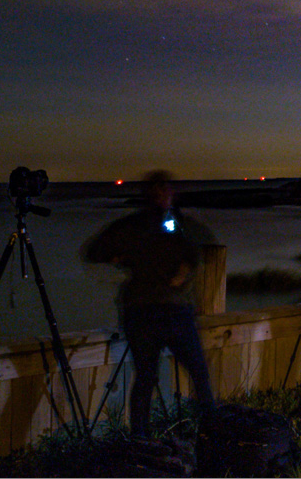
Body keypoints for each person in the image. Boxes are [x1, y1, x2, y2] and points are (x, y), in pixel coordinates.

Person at [81, 170, 216, 437]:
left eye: (163, 190)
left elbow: (94, 251)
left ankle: (140, 438)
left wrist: (119, 257)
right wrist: (184, 270)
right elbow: (203, 244)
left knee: (146, 378)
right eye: (160, 192)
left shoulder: (132, 226)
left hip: (140, 311)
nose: (163, 196)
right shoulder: (174, 225)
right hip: (168, 310)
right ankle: (211, 431)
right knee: (196, 373)